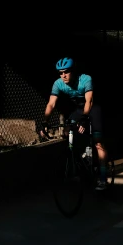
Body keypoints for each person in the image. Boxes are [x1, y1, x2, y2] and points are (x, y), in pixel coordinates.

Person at [43, 57, 109, 190]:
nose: (63, 75)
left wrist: (84, 119)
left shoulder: (85, 79)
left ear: (73, 71)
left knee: (98, 143)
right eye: (60, 73)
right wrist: (45, 122)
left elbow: (89, 101)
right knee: (69, 130)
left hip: (92, 108)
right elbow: (51, 103)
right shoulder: (58, 83)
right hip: (78, 109)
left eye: (66, 72)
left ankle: (103, 178)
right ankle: (80, 161)